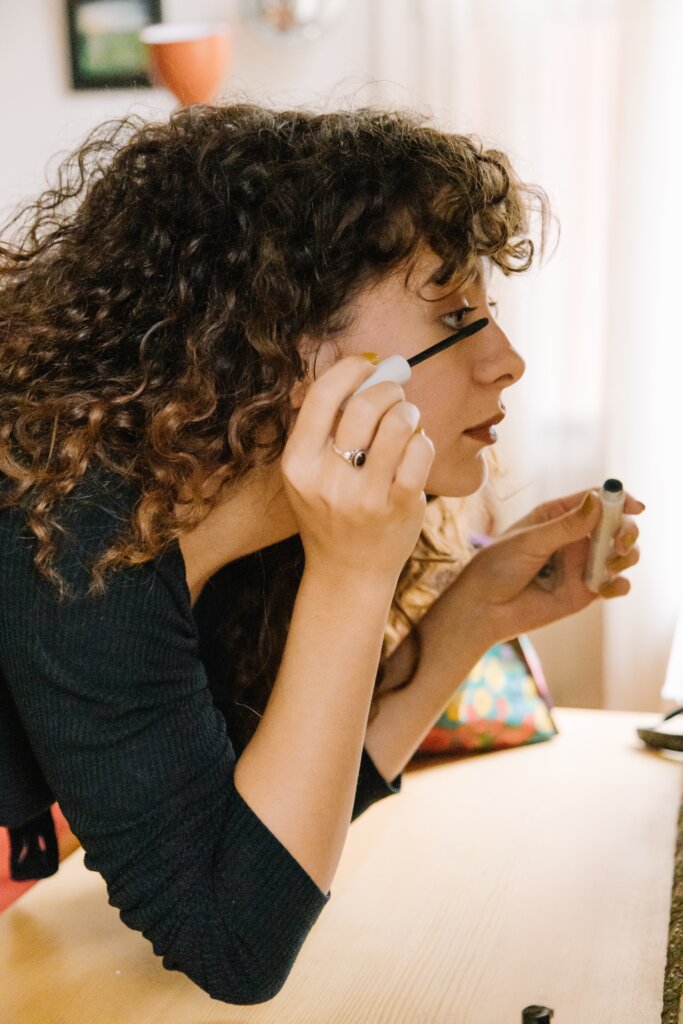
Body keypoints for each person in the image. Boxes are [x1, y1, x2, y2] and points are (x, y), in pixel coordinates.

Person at [0, 101, 644, 1005]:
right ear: (279, 346)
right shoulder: (69, 537)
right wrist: (354, 574)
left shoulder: (233, 533)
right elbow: (231, 942)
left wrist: (467, 622)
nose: (506, 361)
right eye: (457, 314)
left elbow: (261, 850)